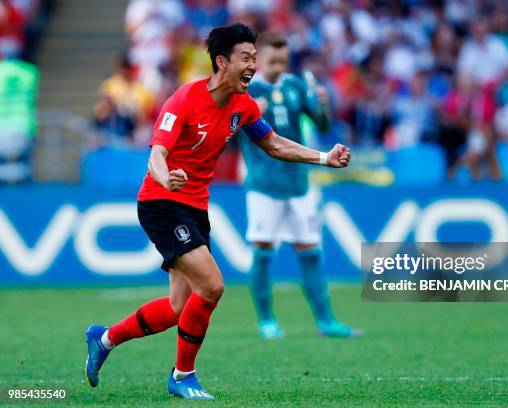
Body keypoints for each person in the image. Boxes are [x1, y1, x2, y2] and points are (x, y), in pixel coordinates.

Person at [84, 23, 351, 401]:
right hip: (161, 203)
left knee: (179, 307)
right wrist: (167, 178)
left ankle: (104, 338)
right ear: (222, 62)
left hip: (195, 208)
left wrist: (324, 157)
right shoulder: (185, 99)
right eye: (246, 57)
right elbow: (156, 154)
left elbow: (273, 144)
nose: (253, 65)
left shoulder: (243, 105)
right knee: (211, 286)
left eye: (255, 58)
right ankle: (183, 375)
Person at [239, 32, 362, 340]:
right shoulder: (246, 91)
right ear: (259, 59)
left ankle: (326, 321)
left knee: (309, 250)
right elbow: (229, 133)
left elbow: (321, 124)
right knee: (263, 249)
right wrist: (249, 112)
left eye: (283, 59)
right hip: (264, 183)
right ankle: (266, 320)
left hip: (300, 183)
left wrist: (323, 105)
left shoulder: (295, 85)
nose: (279, 64)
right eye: (273, 59)